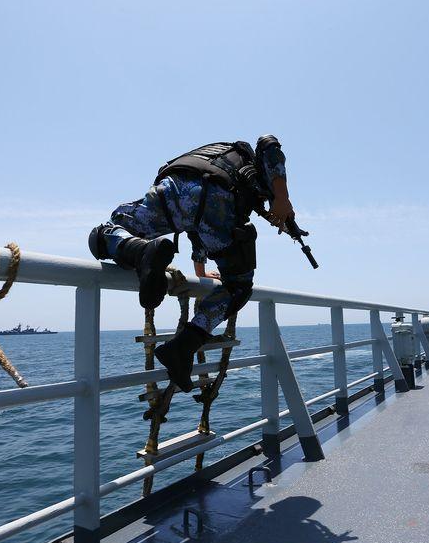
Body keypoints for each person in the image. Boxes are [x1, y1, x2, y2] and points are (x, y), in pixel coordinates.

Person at [88, 136, 294, 392]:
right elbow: (269, 143)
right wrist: (282, 198)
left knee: (107, 230)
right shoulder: (252, 161)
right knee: (238, 286)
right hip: (218, 201)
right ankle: (182, 348)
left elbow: (196, 227)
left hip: (174, 190)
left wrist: (200, 272)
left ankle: (138, 252)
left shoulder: (215, 156)